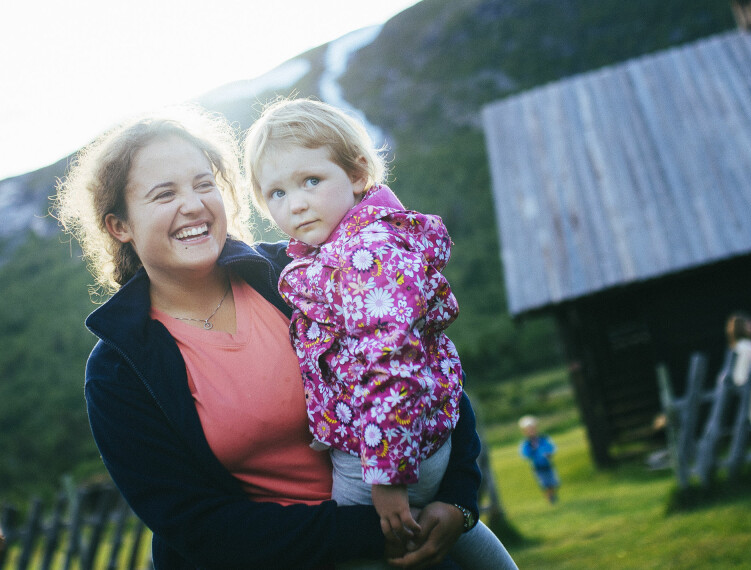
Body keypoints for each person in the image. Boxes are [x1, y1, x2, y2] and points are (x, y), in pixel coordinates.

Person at [54, 105, 483, 569]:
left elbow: (421, 365)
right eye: (164, 194)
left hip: (409, 523)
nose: (194, 204)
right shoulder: (119, 369)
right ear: (119, 226)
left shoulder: (299, 272)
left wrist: (458, 500)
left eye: (204, 184)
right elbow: (197, 525)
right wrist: (369, 533)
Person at [242, 98, 516, 570]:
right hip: (410, 442)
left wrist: (386, 476)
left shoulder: (367, 255)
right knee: (447, 535)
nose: (297, 203)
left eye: (311, 180)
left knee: (365, 554)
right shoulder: (344, 247)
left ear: (356, 173)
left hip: (378, 455)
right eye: (277, 194)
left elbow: (390, 362)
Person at [517, 416, 559, 504]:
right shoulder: (527, 443)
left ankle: (552, 495)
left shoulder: (543, 439)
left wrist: (549, 453)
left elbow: (551, 447)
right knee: (544, 483)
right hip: (537, 467)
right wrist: (532, 451)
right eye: (529, 430)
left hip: (547, 464)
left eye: (532, 429)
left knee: (553, 481)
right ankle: (550, 498)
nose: (531, 431)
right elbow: (524, 454)